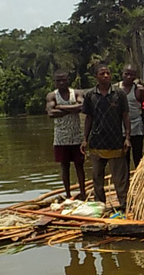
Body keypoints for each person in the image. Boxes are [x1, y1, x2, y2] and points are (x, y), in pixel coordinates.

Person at [81, 64, 132, 211]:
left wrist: (127, 137)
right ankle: (100, 204)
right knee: (97, 177)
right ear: (96, 76)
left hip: (116, 141)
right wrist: (85, 139)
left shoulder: (119, 94)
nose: (105, 76)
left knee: (119, 178)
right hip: (96, 141)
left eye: (108, 73)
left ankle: (124, 204)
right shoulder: (91, 95)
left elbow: (125, 116)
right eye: (102, 73)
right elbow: (88, 118)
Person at [46, 70, 86, 200]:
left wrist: (62, 107)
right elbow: (51, 113)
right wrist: (71, 109)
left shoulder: (76, 93)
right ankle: (68, 194)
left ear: (68, 80)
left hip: (77, 136)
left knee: (80, 165)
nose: (61, 83)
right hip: (60, 137)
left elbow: (82, 107)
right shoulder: (52, 95)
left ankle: (83, 192)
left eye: (64, 80)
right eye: (58, 80)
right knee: (64, 166)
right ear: (55, 82)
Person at [119, 66, 144, 168]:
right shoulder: (116, 89)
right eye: (126, 74)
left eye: (132, 75)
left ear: (135, 76)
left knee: (138, 154)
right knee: (123, 155)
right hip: (121, 126)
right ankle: (125, 180)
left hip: (136, 124)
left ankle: (138, 178)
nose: (129, 77)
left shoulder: (139, 90)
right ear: (122, 74)